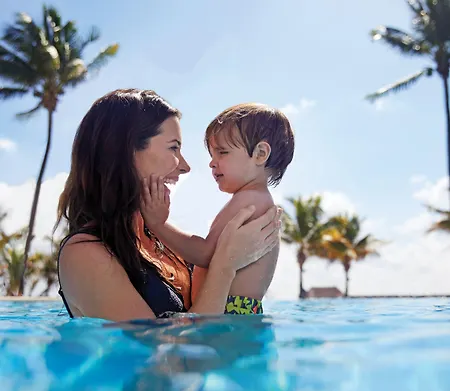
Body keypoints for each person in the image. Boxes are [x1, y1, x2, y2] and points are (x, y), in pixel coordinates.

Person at [56, 89, 281, 321]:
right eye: (173, 147)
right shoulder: (85, 254)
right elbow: (166, 347)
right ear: (125, 152)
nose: (185, 166)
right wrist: (225, 265)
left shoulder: (163, 244)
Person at [140, 103, 294, 314]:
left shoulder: (248, 200)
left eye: (222, 152)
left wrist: (158, 224)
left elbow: (205, 254)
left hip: (227, 310)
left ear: (260, 153)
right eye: (212, 154)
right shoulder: (258, 199)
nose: (212, 163)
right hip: (242, 312)